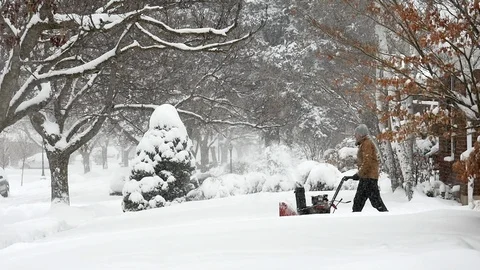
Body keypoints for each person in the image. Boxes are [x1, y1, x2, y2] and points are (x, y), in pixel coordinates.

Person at [351, 124, 388, 212]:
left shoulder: (366, 144)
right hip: (367, 177)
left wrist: (359, 174)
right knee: (362, 201)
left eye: (356, 134)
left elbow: (368, 161)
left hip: (368, 178)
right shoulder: (364, 143)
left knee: (369, 201)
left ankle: (386, 216)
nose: (355, 136)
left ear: (360, 134)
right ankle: (355, 217)